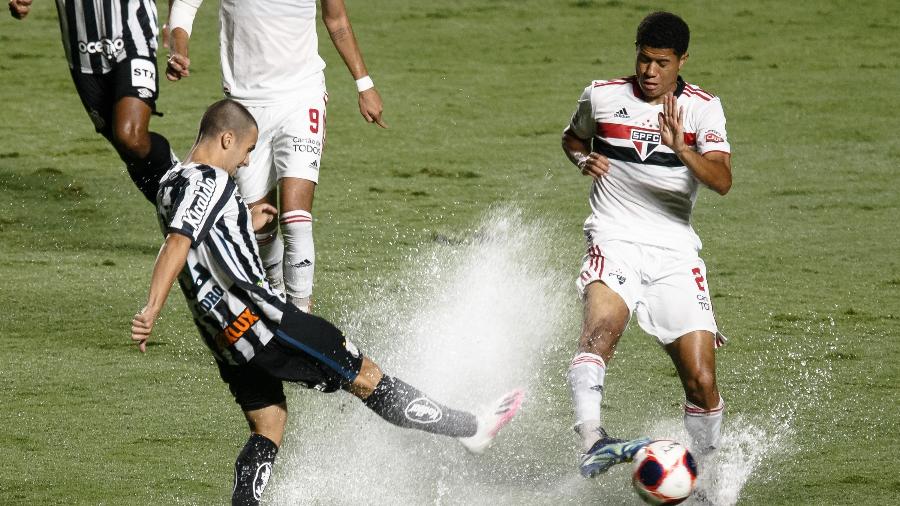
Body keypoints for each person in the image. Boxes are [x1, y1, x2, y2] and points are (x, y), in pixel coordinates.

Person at [131, 99, 522, 505]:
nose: (247, 163)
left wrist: (243, 218)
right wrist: (152, 308)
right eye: (247, 150)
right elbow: (178, 242)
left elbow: (197, 240)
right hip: (267, 323)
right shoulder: (209, 180)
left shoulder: (170, 184)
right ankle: (471, 428)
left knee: (269, 422)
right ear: (226, 138)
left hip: (227, 341)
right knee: (367, 377)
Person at [560, 11, 732, 478]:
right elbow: (572, 138)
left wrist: (683, 149)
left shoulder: (702, 108)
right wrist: (582, 159)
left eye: (661, 63)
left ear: (681, 61)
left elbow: (721, 180)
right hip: (613, 237)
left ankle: (705, 480)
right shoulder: (601, 95)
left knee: (701, 380)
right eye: (643, 60)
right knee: (600, 332)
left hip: (675, 253)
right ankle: (594, 441)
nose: (649, 72)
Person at [163, 0, 387, 313]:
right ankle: (278, 301)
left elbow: (336, 19)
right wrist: (180, 47)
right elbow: (185, 4)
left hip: (301, 96)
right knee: (262, 223)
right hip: (245, 106)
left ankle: (301, 315)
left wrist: (365, 85)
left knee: (295, 219)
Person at [8, 0, 175, 203]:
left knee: (129, 136)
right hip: (82, 52)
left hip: (134, 35)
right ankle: (180, 213)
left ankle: (185, 187)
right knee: (128, 151)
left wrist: (175, 21)